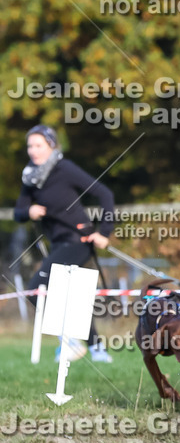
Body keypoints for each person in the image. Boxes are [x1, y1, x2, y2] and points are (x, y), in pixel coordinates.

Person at [14, 125, 115, 362]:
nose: (33, 150)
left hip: (79, 241)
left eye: (39, 145)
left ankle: (69, 342)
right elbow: (18, 212)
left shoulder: (64, 169)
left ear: (52, 145)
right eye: (30, 145)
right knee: (74, 295)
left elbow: (105, 195)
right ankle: (96, 349)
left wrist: (105, 232)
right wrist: (29, 210)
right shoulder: (31, 177)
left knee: (35, 287)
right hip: (58, 244)